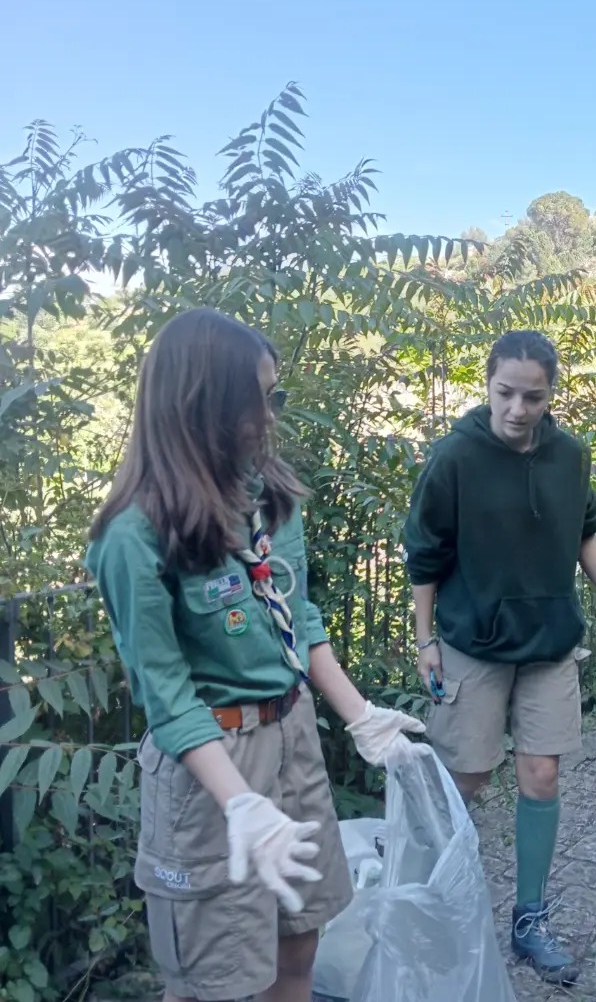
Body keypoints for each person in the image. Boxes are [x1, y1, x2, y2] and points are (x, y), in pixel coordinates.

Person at [85, 308, 425, 1002]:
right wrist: (240, 802)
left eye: (276, 396)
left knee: (300, 945)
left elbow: (295, 617)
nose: (271, 417)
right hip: (212, 767)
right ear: (203, 406)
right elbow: (166, 695)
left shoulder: (267, 495)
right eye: (258, 400)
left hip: (293, 737)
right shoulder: (134, 536)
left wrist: (360, 716)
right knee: (213, 979)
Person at [402, 329, 596, 985]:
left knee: (541, 776)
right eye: (505, 393)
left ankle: (530, 918)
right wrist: (425, 640)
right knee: (467, 778)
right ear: (487, 384)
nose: (517, 409)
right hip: (471, 644)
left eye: (532, 397)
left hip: (548, 643)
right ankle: (430, 907)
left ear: (550, 394)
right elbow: (424, 556)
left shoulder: (570, 456)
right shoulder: (455, 457)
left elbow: (585, 533)